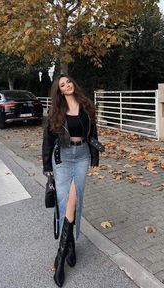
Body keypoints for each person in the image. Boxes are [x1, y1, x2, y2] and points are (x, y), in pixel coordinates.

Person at [42, 74, 101, 287]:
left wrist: (95, 155)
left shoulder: (86, 106)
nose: (66, 86)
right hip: (62, 157)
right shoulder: (56, 112)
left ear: (73, 84)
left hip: (82, 156)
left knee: (74, 201)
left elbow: (93, 133)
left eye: (68, 82)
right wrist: (47, 167)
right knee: (67, 201)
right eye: (62, 85)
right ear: (59, 91)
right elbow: (48, 140)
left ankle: (64, 252)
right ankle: (63, 254)